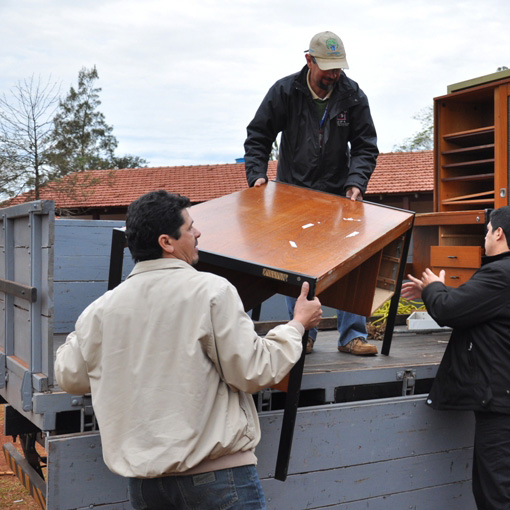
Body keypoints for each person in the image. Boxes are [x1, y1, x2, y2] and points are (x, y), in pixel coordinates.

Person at [54, 190, 322, 510]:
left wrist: (87, 329)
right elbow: (254, 371)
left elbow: (71, 377)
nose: (198, 233)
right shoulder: (211, 291)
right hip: (217, 482)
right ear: (167, 242)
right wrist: (296, 326)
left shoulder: (100, 310)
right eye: (191, 227)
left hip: (145, 489)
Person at [244, 30, 379, 356]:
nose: (334, 75)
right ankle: (302, 335)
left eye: (338, 68)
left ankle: (352, 336)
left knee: (351, 259)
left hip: (338, 194)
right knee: (297, 267)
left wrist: (355, 183)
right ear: (309, 60)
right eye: (328, 69)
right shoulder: (285, 91)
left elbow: (365, 146)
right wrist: (257, 176)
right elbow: (258, 136)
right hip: (294, 193)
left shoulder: (352, 95)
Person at [401, 206, 510, 510]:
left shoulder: (500, 274)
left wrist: (434, 287)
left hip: (501, 408)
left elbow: (450, 310)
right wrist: (437, 291)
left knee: (496, 494)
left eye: (486, 231)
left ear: (498, 233)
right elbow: (473, 306)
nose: (485, 238)